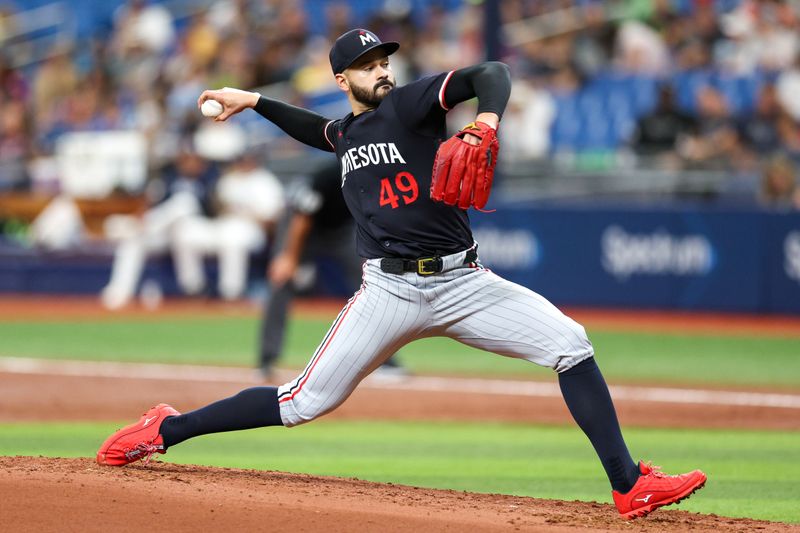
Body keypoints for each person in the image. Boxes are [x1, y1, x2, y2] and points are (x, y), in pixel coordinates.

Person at [97, 29, 706, 520]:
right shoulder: (347, 132)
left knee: (571, 344)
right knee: (301, 403)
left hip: (464, 283)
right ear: (343, 80)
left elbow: (491, 73)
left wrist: (486, 119)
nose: (381, 70)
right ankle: (165, 429)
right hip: (389, 290)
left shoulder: (413, 105)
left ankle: (629, 486)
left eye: (384, 58)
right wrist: (253, 101)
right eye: (367, 65)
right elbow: (317, 129)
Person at [258, 157, 404, 378]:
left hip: (341, 230)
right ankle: (267, 360)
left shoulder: (378, 176)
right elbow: (302, 217)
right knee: (281, 281)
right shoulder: (330, 175)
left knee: (374, 284)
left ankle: (386, 360)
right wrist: (288, 257)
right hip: (303, 227)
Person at [171, 148, 285, 301]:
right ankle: (194, 289)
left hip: (251, 230)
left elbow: (273, 218)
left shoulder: (265, 180)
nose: (244, 162)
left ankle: (231, 294)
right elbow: (215, 210)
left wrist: (248, 214)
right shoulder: (228, 179)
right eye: (241, 159)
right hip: (223, 225)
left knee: (233, 239)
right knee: (185, 233)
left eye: (248, 159)